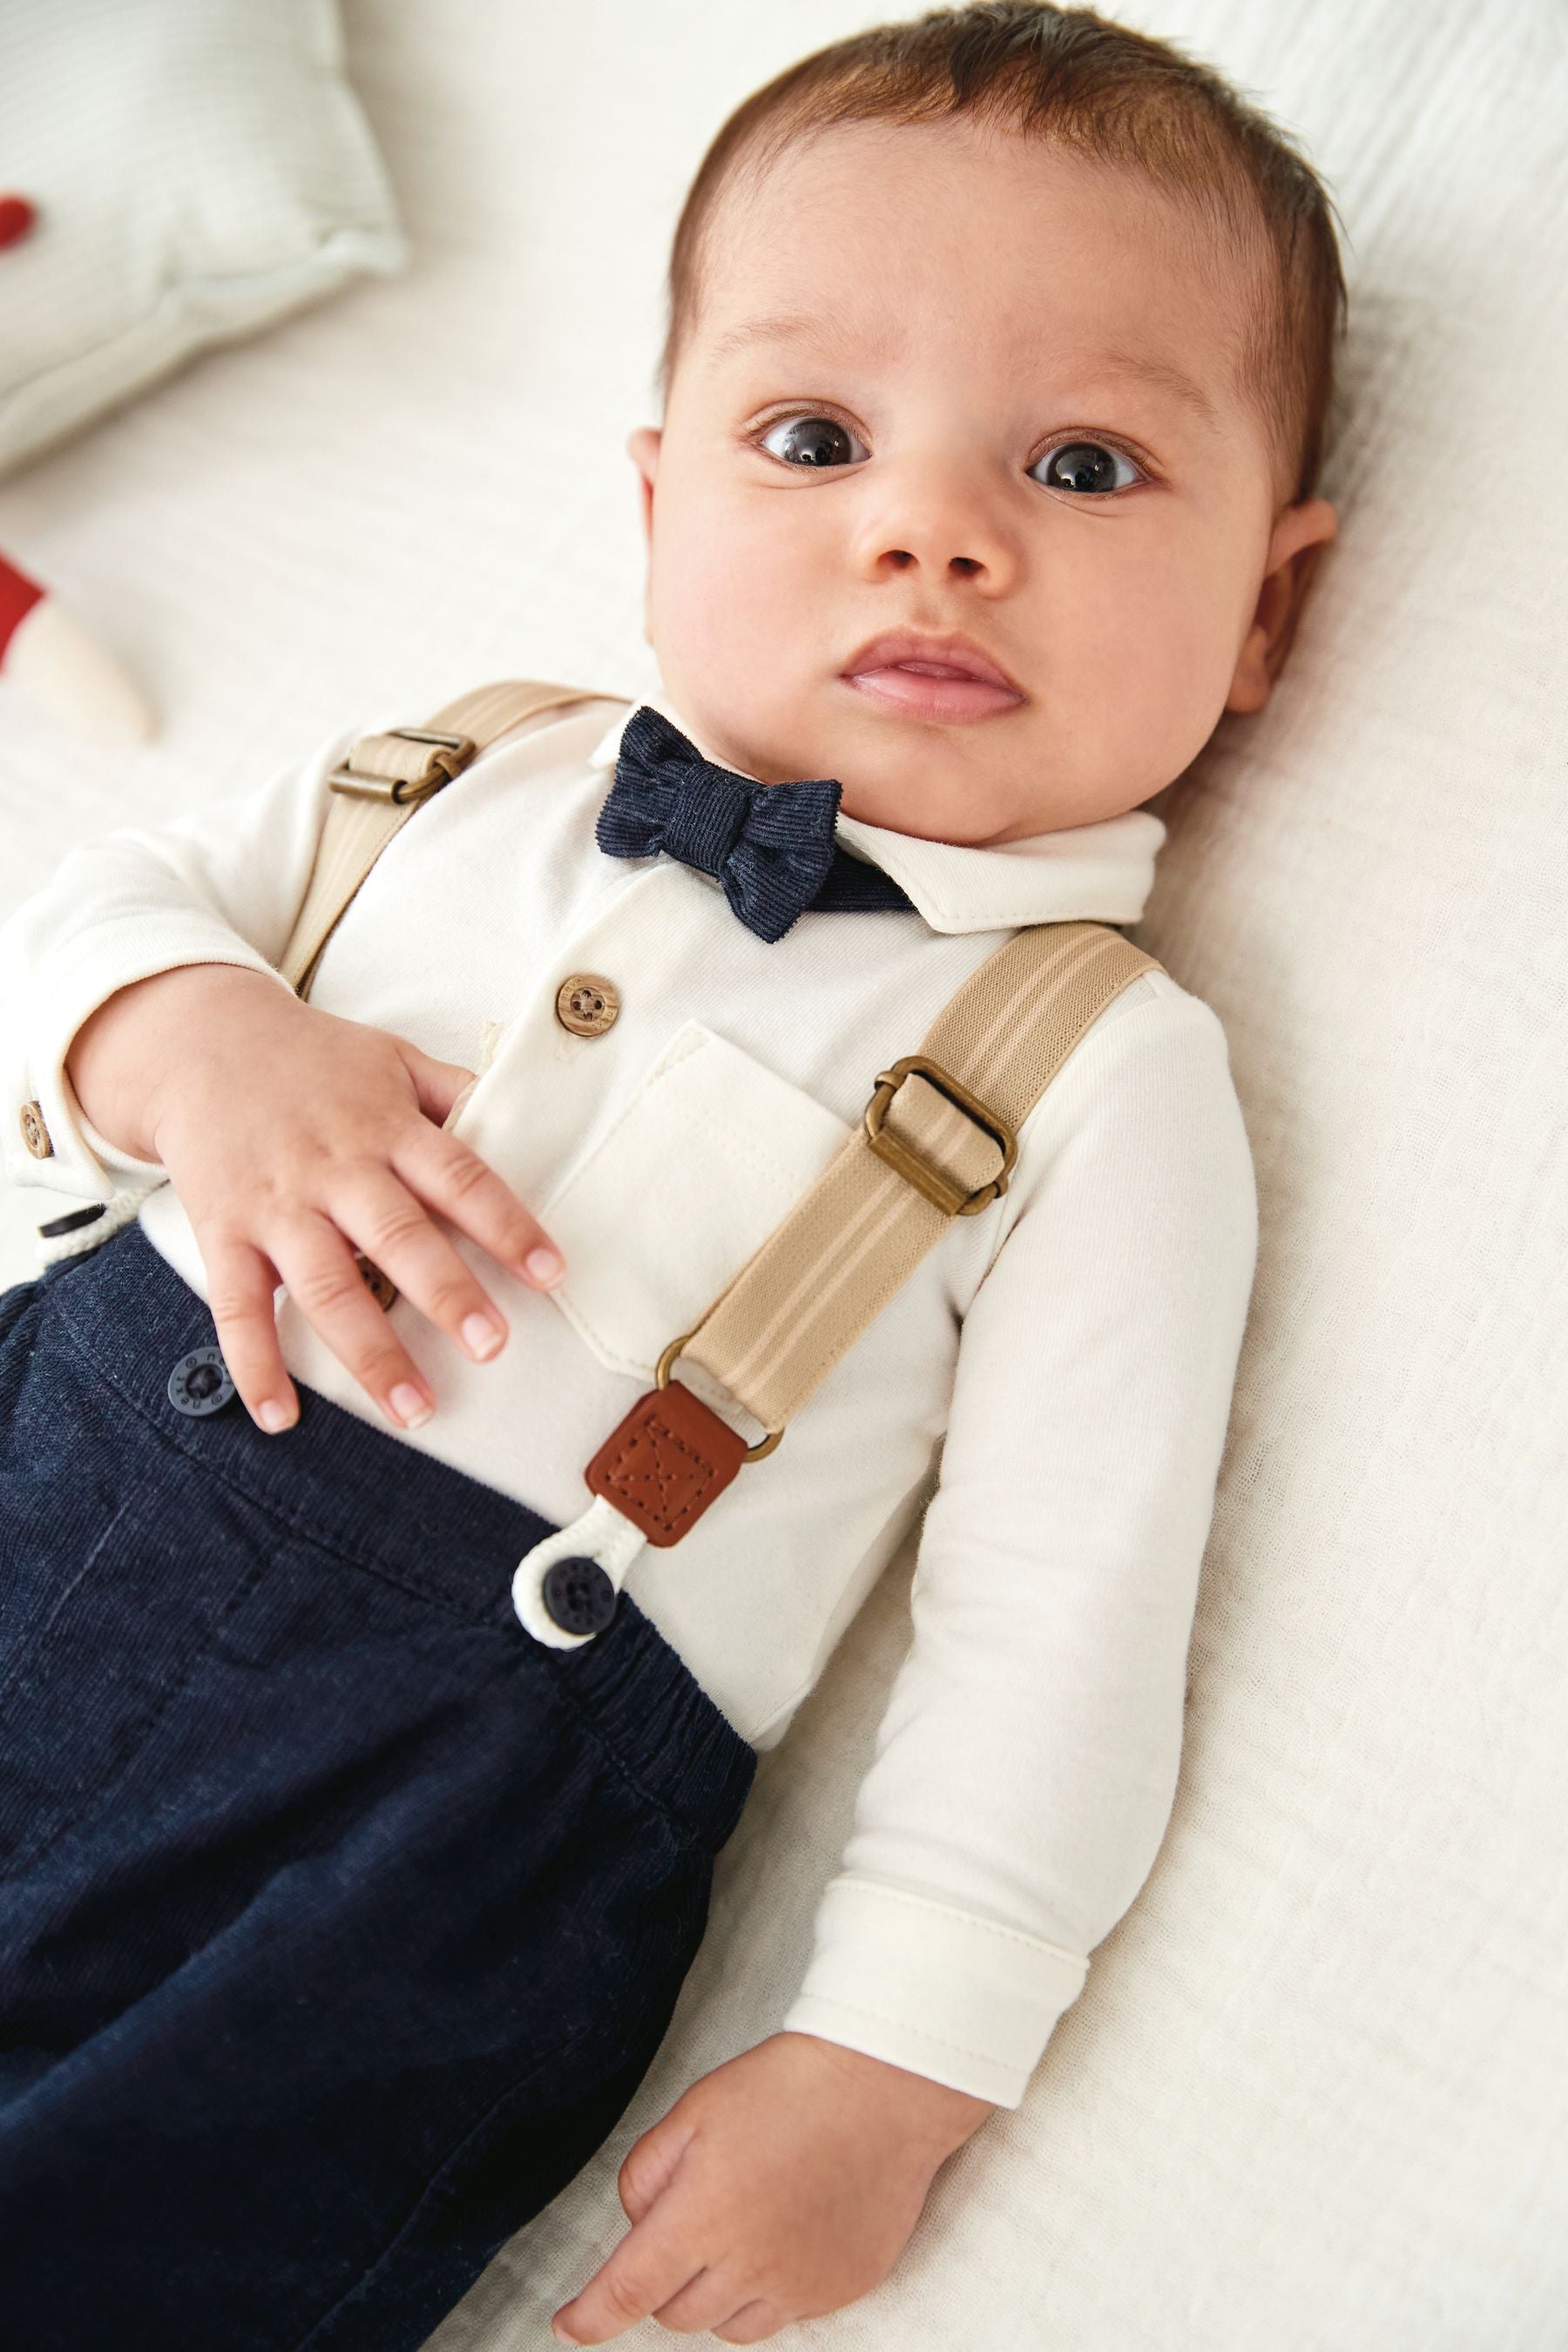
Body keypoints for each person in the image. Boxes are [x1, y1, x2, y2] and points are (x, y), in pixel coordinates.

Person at [0, 3, 1345, 2343]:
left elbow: (1066, 1617)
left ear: (1270, 610)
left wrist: (901, 2062)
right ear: (652, 511)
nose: (930, 528)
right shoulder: (465, 767)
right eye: (813, 437)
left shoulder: (1104, 1075)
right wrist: (195, 1039)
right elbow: (97, 914)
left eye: (1090, 466)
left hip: (415, 1833)